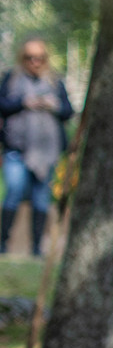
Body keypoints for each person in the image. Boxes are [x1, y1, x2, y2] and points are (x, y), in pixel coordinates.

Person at [0, 38, 74, 258]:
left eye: (39, 58)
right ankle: (2, 244)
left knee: (41, 199)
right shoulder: (11, 80)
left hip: (47, 151)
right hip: (16, 148)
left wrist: (54, 105)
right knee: (14, 191)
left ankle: (36, 249)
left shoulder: (54, 83)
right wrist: (24, 102)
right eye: (30, 58)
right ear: (22, 58)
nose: (35, 62)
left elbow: (68, 111)